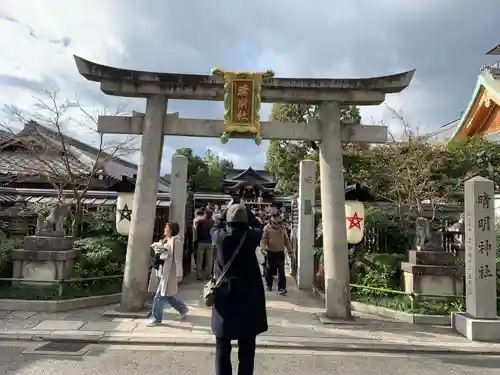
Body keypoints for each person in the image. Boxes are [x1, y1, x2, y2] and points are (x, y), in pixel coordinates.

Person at [211, 203, 267, 375]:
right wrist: (244, 208)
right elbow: (258, 224)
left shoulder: (220, 237)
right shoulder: (252, 236)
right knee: (247, 350)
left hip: (225, 296)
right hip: (249, 297)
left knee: (222, 348)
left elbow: (215, 224)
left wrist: (226, 210)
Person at [147, 222, 189, 326]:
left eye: (167, 227)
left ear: (171, 230)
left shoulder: (176, 241)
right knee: (168, 295)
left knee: (159, 296)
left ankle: (157, 318)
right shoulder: (167, 240)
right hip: (164, 270)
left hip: (171, 271)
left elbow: (178, 258)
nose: (165, 229)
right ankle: (183, 309)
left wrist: (179, 273)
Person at [260, 212, 293, 295]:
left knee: (281, 270)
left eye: (278, 222)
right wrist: (262, 248)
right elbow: (263, 239)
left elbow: (287, 241)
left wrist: (290, 251)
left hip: (280, 252)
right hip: (270, 252)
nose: (277, 225)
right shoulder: (266, 228)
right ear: (271, 220)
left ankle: (282, 288)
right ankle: (269, 285)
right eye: (275, 223)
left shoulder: (283, 228)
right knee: (269, 269)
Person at [195, 209, 215, 280]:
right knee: (209, 260)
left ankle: (199, 275)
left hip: (201, 242)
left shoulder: (200, 222)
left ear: (205, 214)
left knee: (199, 260)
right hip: (210, 242)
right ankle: (208, 275)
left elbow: (196, 230)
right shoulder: (213, 222)